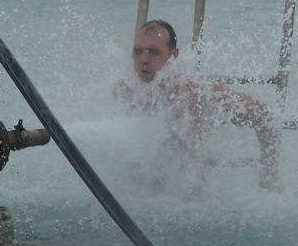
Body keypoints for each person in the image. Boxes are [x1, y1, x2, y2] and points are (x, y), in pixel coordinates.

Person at [115, 19, 281, 192]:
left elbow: (264, 115)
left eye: (153, 52)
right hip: (143, 197)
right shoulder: (125, 91)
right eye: (137, 51)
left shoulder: (195, 91)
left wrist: (269, 172)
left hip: (191, 198)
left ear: (173, 55)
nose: (143, 59)